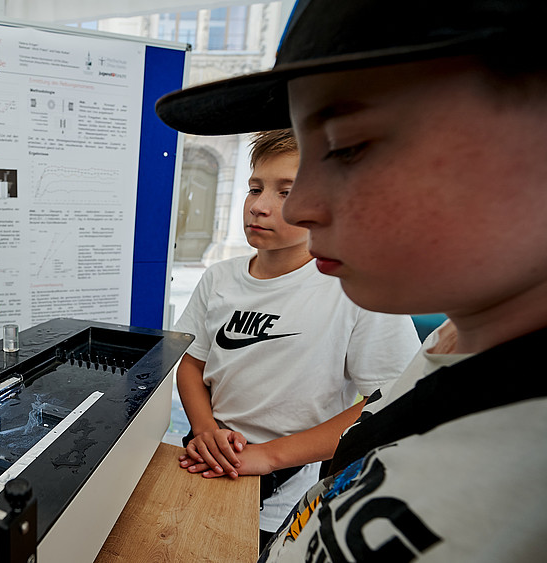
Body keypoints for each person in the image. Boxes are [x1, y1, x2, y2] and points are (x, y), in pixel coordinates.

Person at [157, 0, 547, 560]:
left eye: (348, 147)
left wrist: (272, 455)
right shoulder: (444, 347)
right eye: (257, 187)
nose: (304, 206)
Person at [173, 128, 418, 548]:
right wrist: (205, 429)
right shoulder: (219, 278)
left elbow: (393, 400)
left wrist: (268, 457)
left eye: (287, 192)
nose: (259, 207)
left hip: (285, 495)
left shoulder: (357, 288)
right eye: (255, 188)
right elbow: (192, 363)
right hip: (207, 460)